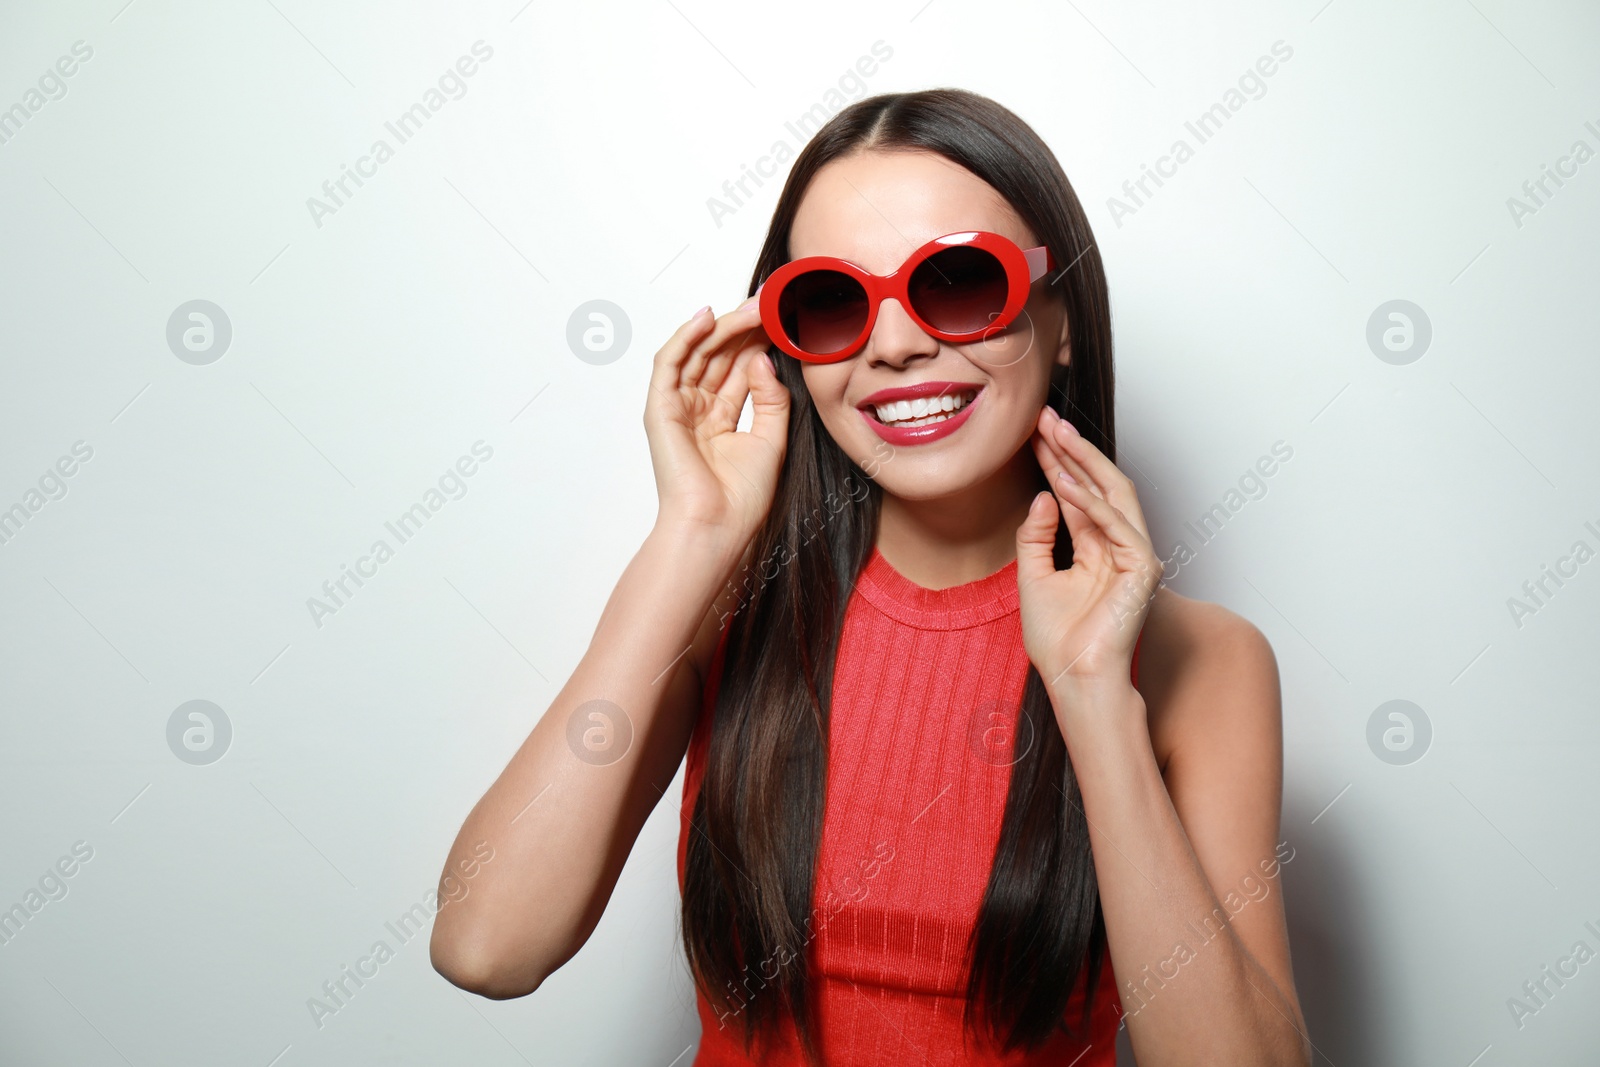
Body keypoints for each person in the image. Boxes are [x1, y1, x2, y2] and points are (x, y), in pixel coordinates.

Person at [430, 88, 1310, 1067]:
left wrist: (1093, 696)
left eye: (959, 283)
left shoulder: (1202, 661)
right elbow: (485, 945)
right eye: (832, 303)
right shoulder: (718, 604)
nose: (892, 345)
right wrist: (694, 531)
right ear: (784, 347)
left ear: (1061, 319)